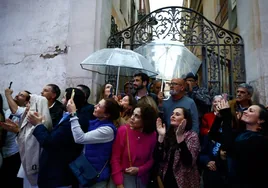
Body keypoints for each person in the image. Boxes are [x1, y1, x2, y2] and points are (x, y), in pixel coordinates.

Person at [27, 88, 89, 188]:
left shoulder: (74, 120)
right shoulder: (68, 116)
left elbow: (50, 143)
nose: (62, 100)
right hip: (55, 173)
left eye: (64, 97)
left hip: (58, 174)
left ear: (71, 101)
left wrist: (38, 125)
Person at [210, 99, 268, 188]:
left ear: (260, 120)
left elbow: (228, 147)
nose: (245, 112)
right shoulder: (240, 133)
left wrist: (227, 117)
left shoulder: (259, 139)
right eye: (247, 109)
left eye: (251, 111)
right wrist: (219, 117)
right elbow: (213, 135)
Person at [67, 97, 121, 187]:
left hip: (95, 175)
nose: (95, 106)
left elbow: (80, 138)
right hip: (86, 169)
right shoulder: (96, 121)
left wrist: (73, 114)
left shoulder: (107, 130)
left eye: (99, 106)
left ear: (106, 114)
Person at [110, 103, 158, 188]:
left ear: (146, 120)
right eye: (133, 114)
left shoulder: (152, 135)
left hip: (141, 179)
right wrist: (119, 183)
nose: (132, 118)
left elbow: (152, 159)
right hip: (122, 178)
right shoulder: (123, 131)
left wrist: (140, 170)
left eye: (137, 116)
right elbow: (115, 158)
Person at [155, 107, 200, 188]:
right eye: (172, 114)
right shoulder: (168, 134)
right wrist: (161, 137)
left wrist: (180, 140)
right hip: (167, 177)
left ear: (185, 120)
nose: (173, 116)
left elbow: (189, 162)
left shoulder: (192, 136)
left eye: (177, 114)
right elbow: (158, 158)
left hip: (184, 180)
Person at [0, 88, 31, 188]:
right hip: (5, 150)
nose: (17, 96)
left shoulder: (25, 112)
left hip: (16, 152)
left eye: (21, 95)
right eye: (18, 94)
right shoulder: (8, 111)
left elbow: (16, 110)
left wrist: (7, 95)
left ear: (27, 101)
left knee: (14, 181)